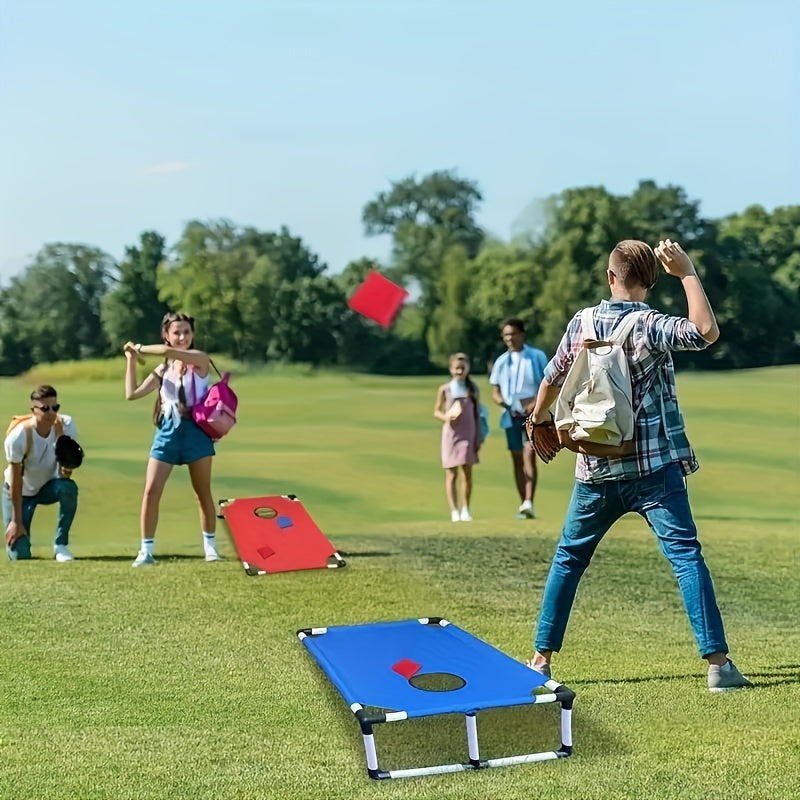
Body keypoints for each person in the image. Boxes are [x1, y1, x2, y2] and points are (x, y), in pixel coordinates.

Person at [526, 239, 752, 693]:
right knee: (687, 559)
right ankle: (718, 667)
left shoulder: (582, 321)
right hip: (654, 471)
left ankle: (539, 661)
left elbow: (552, 377)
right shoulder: (649, 324)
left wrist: (538, 419)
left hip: (595, 470)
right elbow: (705, 330)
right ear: (650, 281)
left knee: (569, 560)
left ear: (611, 277)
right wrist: (687, 271)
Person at [123, 312, 221, 567]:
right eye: (176, 332)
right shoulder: (163, 368)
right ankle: (146, 551)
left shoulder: (199, 359)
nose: (182, 337)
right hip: (167, 431)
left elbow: (169, 352)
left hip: (196, 432)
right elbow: (131, 394)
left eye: (186, 332)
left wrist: (141, 347)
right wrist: (132, 359)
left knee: (202, 492)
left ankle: (210, 547)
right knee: (151, 491)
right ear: (166, 335)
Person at [3, 385, 79, 562]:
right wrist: (16, 521)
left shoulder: (65, 425)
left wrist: (68, 467)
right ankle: (20, 538)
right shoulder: (19, 436)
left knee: (68, 488)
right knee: (19, 555)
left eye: (55, 407)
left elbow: (65, 474)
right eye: (45, 408)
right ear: (33, 410)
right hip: (19, 493)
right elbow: (15, 480)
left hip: (46, 486)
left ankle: (61, 545)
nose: (51, 413)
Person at [489, 318, 548, 519]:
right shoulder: (501, 361)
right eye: (506, 335)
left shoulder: (536, 356)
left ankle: (529, 500)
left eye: (513, 333)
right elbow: (495, 391)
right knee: (516, 459)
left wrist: (535, 405)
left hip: (532, 415)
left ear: (521, 334)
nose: (509, 338)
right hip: (510, 415)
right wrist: (505, 404)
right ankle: (523, 503)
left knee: (529, 455)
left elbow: (546, 383)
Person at [433, 353, 482, 522]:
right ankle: (454, 510)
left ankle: (465, 509)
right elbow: (436, 411)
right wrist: (446, 417)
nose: (459, 371)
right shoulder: (445, 389)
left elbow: (477, 414)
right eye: (456, 368)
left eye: (462, 368)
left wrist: (479, 437)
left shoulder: (472, 389)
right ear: (451, 369)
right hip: (451, 434)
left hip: (468, 433)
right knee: (451, 473)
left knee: (467, 473)